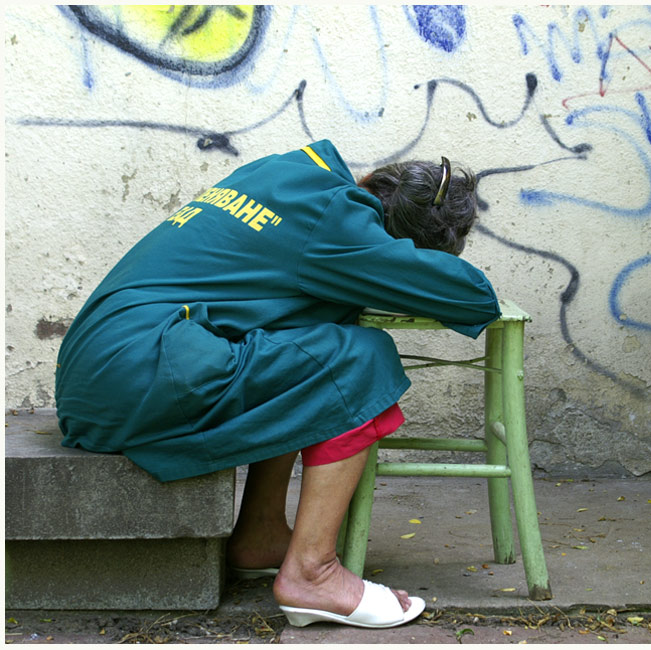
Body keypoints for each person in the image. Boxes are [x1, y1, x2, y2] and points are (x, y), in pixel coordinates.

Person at [54, 140, 501, 628]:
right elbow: (475, 297)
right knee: (362, 358)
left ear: (374, 180)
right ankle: (313, 573)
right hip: (144, 370)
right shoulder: (342, 225)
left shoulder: (283, 174)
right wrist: (401, 261)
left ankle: (261, 534)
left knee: (307, 331)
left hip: (98, 373)